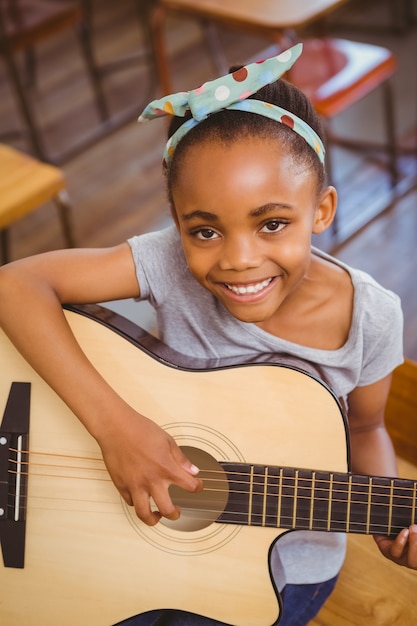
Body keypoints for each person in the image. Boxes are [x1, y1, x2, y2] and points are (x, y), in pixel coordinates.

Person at [0, 44, 416, 626]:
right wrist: (117, 430)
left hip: (279, 566)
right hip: (114, 525)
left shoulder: (371, 317)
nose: (240, 260)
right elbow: (15, 285)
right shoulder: (166, 262)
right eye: (205, 232)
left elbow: (367, 427)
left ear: (321, 210)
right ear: (177, 224)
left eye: (273, 224)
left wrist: (392, 522)